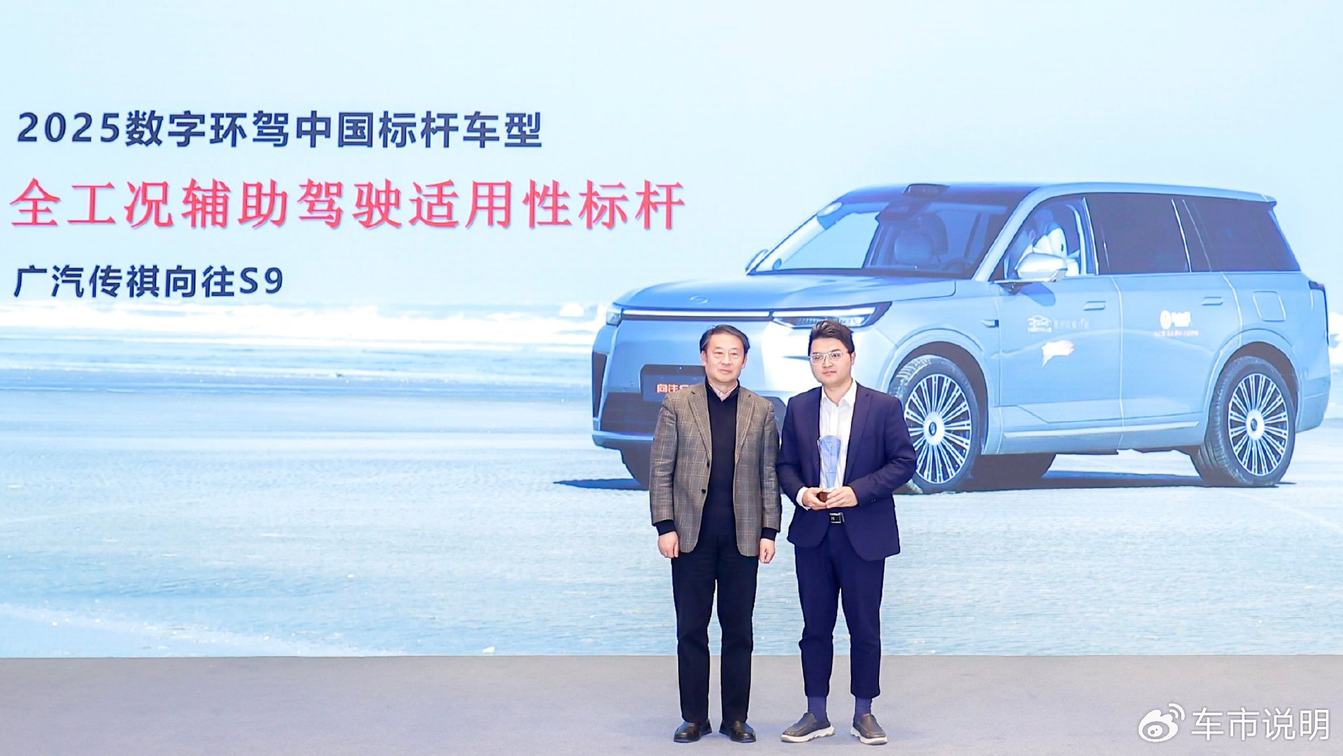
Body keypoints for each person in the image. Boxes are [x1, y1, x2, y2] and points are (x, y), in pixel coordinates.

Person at [776, 320, 916, 746]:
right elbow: (784, 465)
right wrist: (802, 494)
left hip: (864, 534)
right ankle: (815, 713)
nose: (826, 363)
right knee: (815, 628)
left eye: (834, 354)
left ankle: (864, 712)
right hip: (814, 533)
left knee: (864, 627)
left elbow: (903, 462)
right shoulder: (799, 407)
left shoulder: (884, 406)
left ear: (852, 357)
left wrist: (858, 492)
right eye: (817, 356)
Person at [649, 324, 782, 744]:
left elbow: (769, 474)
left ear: (745, 360)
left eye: (734, 353)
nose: (726, 360)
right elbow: (660, 469)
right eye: (718, 352)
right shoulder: (677, 404)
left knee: (739, 630)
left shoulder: (761, 409)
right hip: (691, 536)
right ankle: (694, 717)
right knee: (691, 628)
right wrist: (665, 526)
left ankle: (735, 718)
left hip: (743, 537)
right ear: (703, 357)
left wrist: (769, 530)